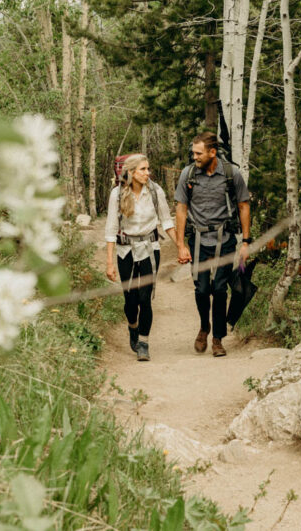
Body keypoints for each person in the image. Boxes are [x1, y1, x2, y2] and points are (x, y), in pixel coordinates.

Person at [174, 132, 251, 357]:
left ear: (212, 152)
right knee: (202, 289)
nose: (194, 156)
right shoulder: (188, 174)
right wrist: (180, 244)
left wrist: (245, 242)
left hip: (224, 239)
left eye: (199, 153)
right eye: (193, 152)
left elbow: (244, 205)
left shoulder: (231, 174)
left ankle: (217, 338)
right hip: (198, 240)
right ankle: (204, 328)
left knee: (219, 289)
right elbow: (181, 208)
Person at [105, 154, 178, 361]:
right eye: (143, 169)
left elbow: (167, 222)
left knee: (145, 298)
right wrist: (109, 263)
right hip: (125, 250)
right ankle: (133, 327)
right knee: (131, 299)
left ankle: (144, 342)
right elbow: (111, 229)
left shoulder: (155, 191)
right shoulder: (117, 195)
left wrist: (181, 247)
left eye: (148, 168)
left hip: (149, 248)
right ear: (130, 172)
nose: (148, 173)